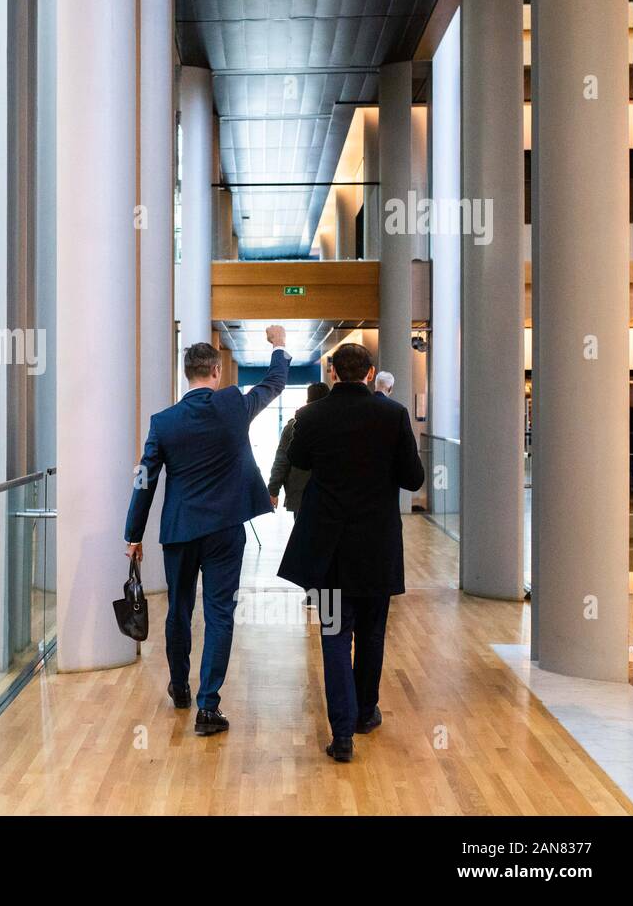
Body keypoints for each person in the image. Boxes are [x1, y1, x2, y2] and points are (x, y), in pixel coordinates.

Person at [124, 326, 291, 736]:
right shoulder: (233, 405)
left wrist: (133, 535)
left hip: (179, 530)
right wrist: (278, 345)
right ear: (216, 372)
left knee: (179, 610)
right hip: (224, 529)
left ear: (187, 374)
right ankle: (208, 705)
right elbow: (273, 384)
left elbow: (144, 479)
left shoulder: (163, 423)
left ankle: (180, 685)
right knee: (219, 613)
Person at [278, 343, 424, 764]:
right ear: (371, 372)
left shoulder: (311, 416)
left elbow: (300, 458)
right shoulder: (392, 414)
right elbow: (413, 478)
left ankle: (342, 735)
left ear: (334, 372)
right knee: (373, 634)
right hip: (376, 544)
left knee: (335, 638)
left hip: (328, 549)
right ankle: (364, 713)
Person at [267, 382, 330, 514]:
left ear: (308, 400)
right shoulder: (337, 426)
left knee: (303, 531)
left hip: (301, 494)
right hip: (331, 495)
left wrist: (273, 490)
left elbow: (282, 460)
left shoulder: (294, 426)